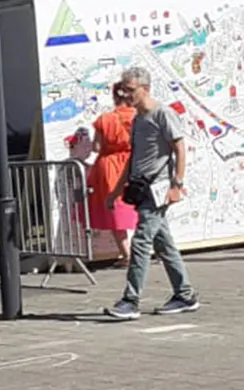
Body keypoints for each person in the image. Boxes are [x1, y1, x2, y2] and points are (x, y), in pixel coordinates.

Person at [103, 67, 199, 320]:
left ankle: (130, 300)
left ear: (145, 89)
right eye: (123, 89)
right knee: (163, 243)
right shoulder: (138, 119)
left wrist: (176, 185)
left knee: (141, 242)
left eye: (131, 89)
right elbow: (133, 158)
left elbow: (179, 148)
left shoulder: (162, 114)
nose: (126, 94)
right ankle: (185, 294)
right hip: (141, 189)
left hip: (157, 190)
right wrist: (115, 191)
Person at [89, 83, 140, 266]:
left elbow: (96, 147)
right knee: (138, 206)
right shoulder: (138, 117)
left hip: (109, 166)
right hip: (132, 162)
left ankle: (126, 254)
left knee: (114, 209)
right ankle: (142, 251)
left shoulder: (105, 119)